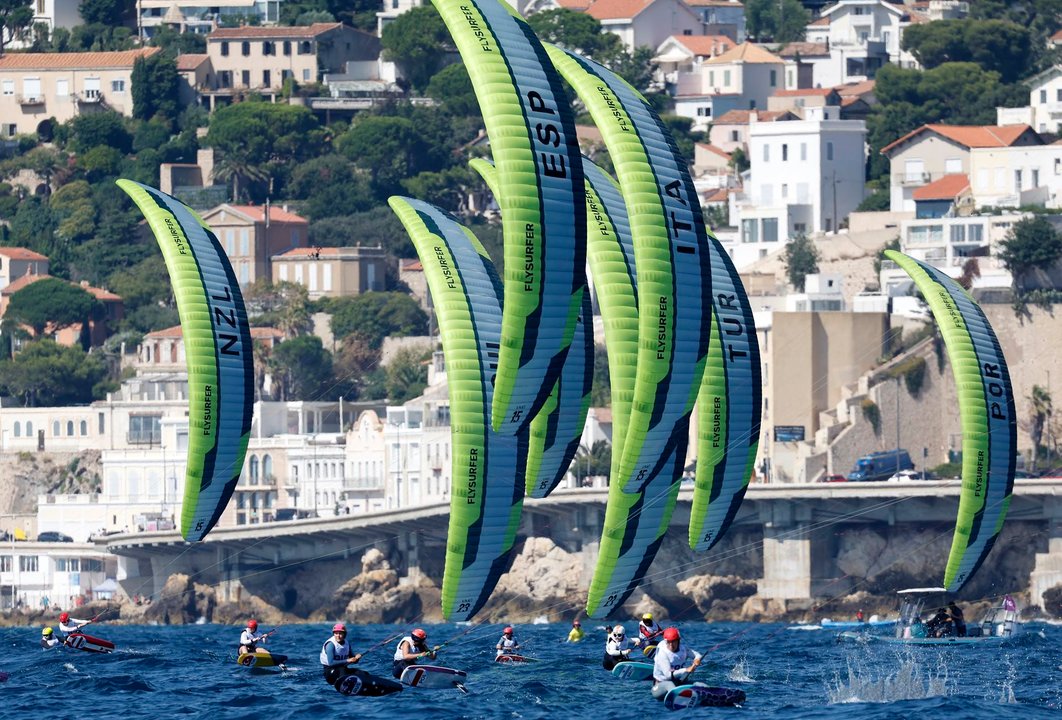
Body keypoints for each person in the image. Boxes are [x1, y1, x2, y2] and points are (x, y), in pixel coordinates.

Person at [652, 627, 701, 700]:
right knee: (669, 684)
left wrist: (697, 660)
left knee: (697, 684)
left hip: (678, 682)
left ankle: (710, 693)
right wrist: (686, 670)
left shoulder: (683, 649)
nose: (671, 645)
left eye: (673, 641)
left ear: (678, 641)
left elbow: (697, 655)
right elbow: (668, 675)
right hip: (660, 686)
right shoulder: (663, 653)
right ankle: (680, 699)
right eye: (668, 642)